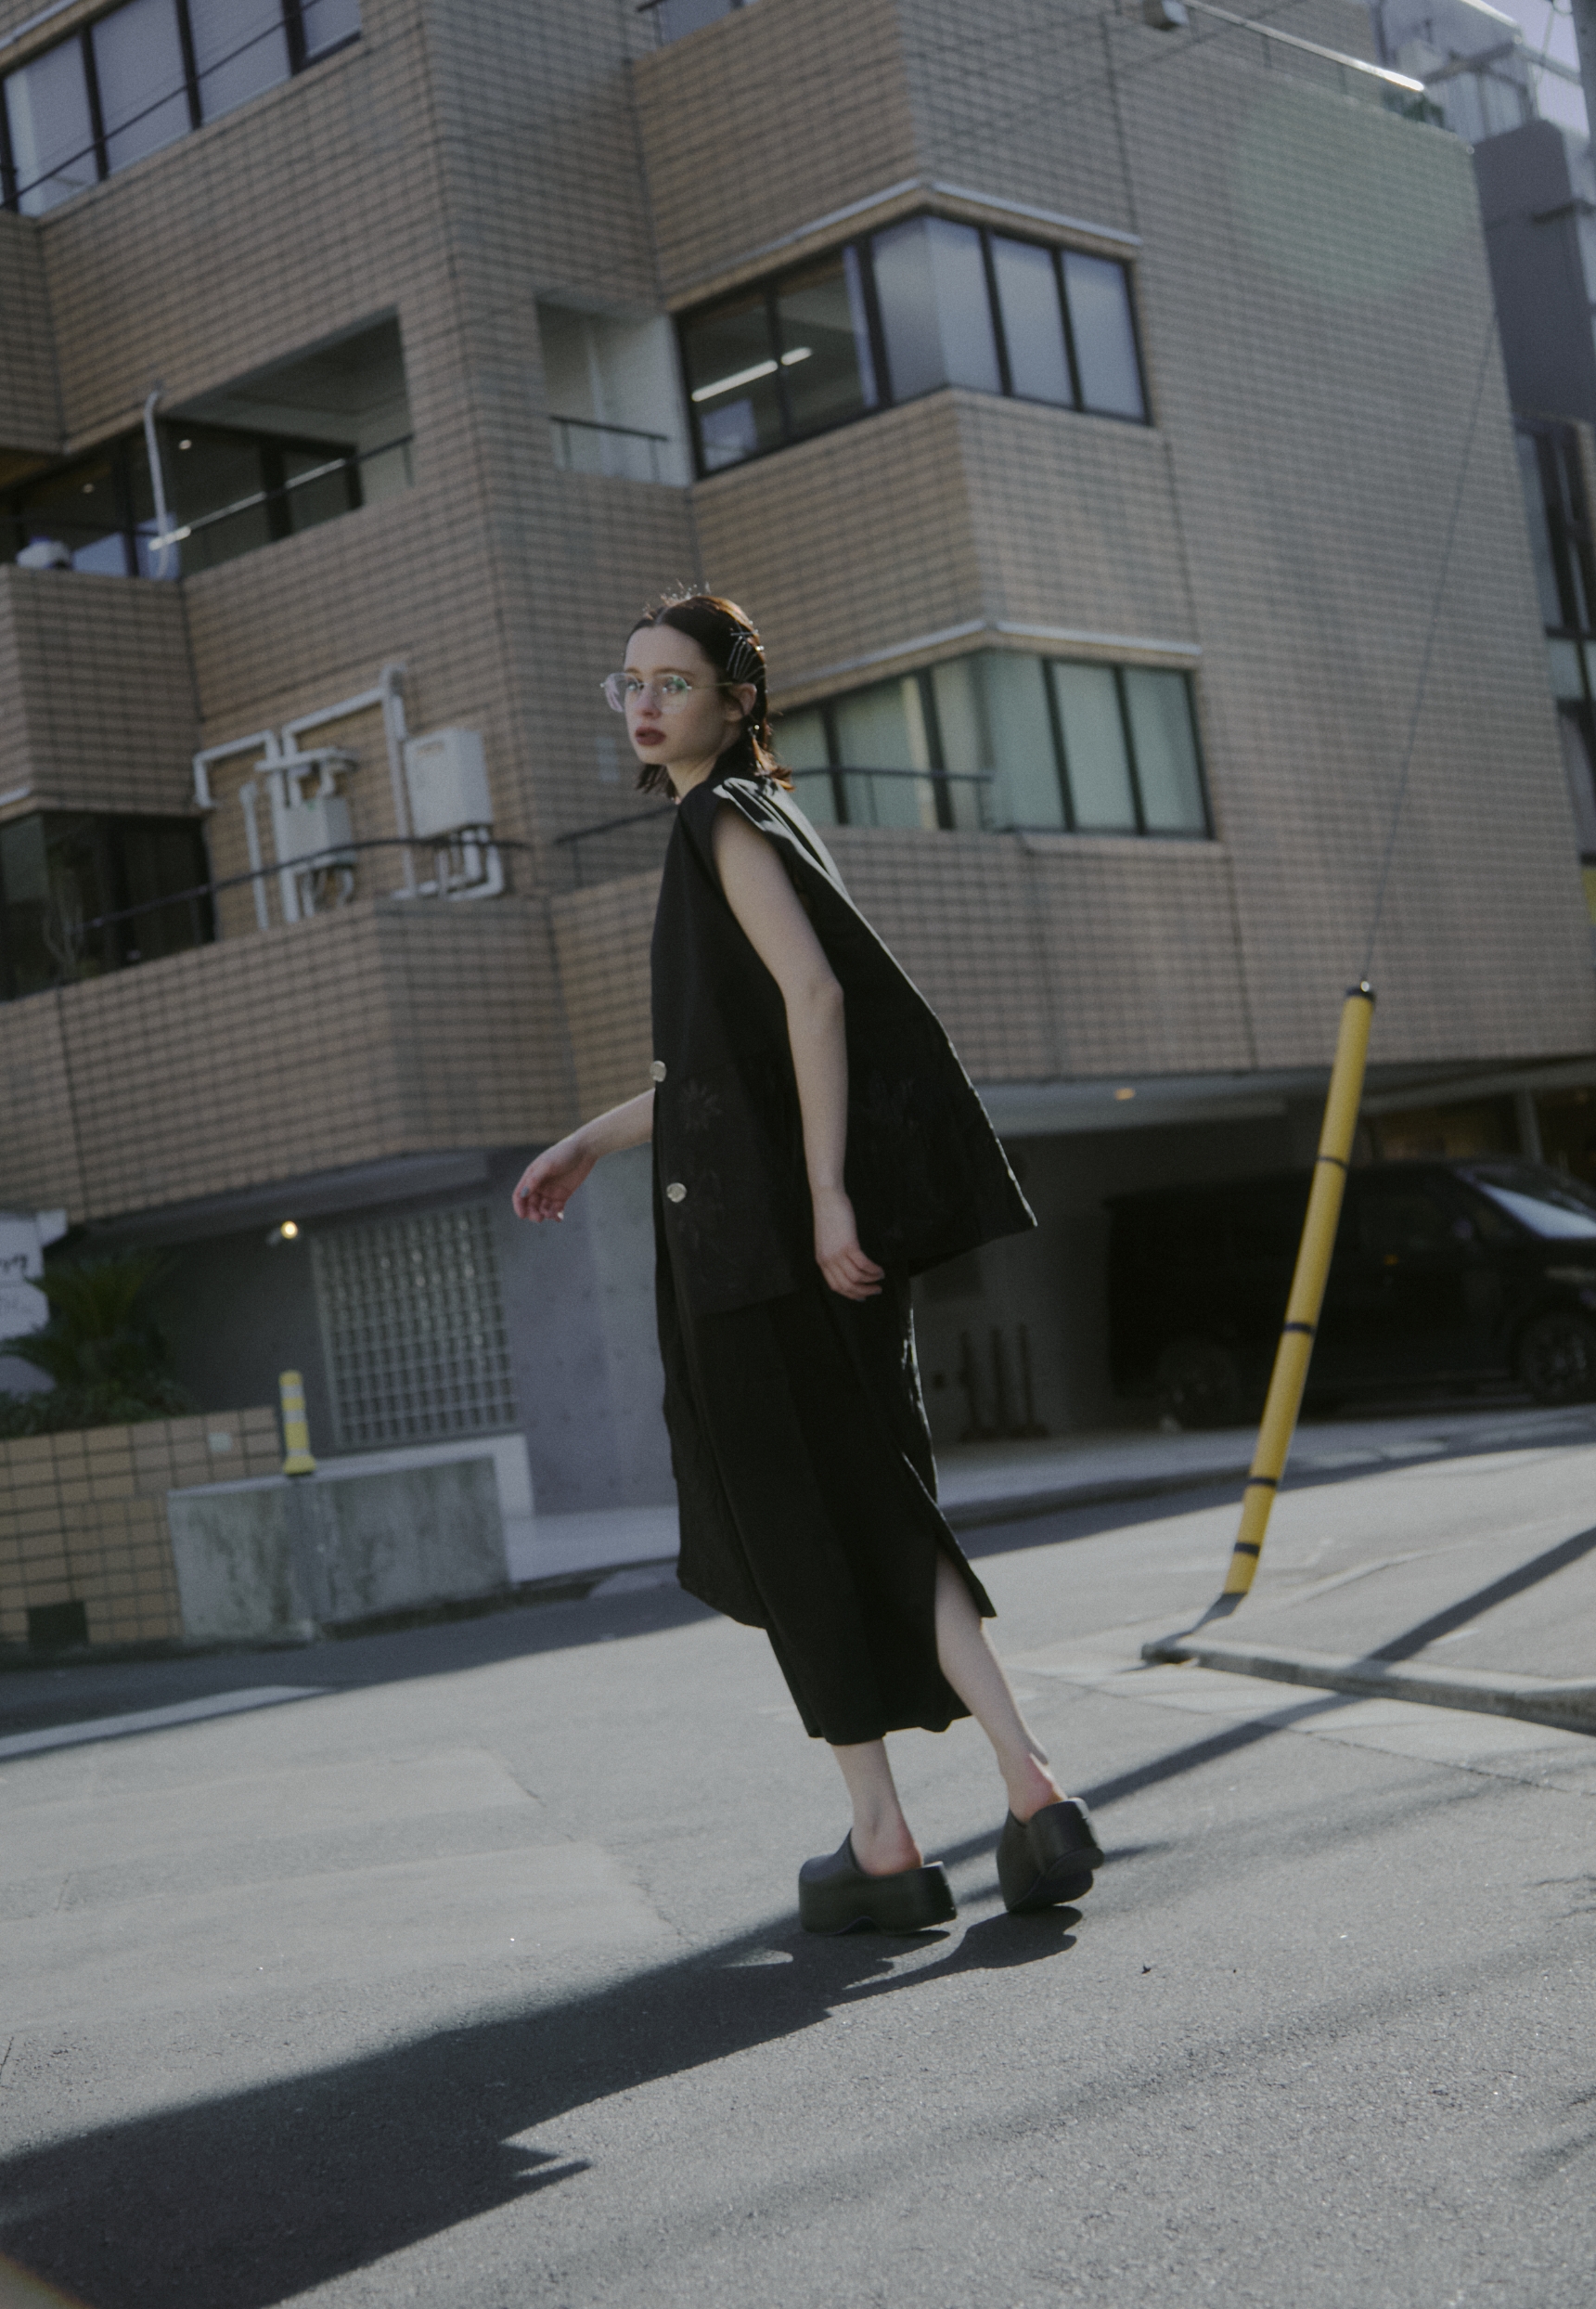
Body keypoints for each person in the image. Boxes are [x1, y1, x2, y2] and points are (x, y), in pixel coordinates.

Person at [513, 592, 1102, 1932]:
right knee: (883, 1507)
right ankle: (1030, 1787)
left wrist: (828, 1198)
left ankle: (884, 1839)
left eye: (673, 682)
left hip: (757, 1260)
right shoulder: (761, 818)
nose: (645, 703)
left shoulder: (716, 823)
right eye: (629, 682)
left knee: (794, 1529)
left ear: (736, 702)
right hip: (795, 1245)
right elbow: (738, 1069)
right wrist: (593, 1140)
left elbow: (819, 1001)